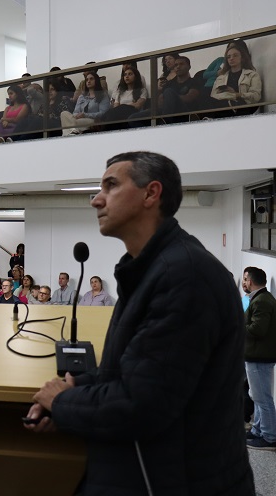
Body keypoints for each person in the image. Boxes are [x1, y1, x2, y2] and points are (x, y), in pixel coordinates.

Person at [26, 151, 255, 495]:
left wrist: (63, 402)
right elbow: (134, 372)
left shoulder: (184, 277)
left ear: (151, 193)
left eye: (111, 186)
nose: (96, 200)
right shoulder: (151, 269)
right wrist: (78, 389)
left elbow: (142, 404)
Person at [242, 266, 276, 450]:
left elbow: (258, 329)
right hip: (257, 355)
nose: (244, 283)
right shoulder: (260, 298)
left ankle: (269, 437)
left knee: (263, 399)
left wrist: (238, 325)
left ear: (251, 281)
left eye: (245, 279)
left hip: (259, 356)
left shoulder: (262, 301)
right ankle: (258, 431)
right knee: (257, 396)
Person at [129, 56, 202, 126]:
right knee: (133, 118)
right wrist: (161, 92)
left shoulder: (194, 81)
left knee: (168, 92)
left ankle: (165, 123)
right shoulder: (169, 83)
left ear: (189, 67)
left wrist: (171, 97)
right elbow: (160, 101)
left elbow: (190, 97)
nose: (178, 67)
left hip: (184, 113)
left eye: (181, 64)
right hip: (164, 110)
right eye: (176, 65)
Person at [209, 42, 262, 117]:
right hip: (223, 106)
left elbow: (256, 97)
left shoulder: (252, 75)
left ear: (242, 58)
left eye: (235, 55)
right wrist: (226, 95)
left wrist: (236, 94)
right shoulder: (221, 78)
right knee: (207, 100)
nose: (231, 58)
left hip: (243, 107)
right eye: (229, 57)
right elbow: (213, 96)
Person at [60, 71, 110, 136]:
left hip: (93, 121)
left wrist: (85, 115)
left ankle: (69, 135)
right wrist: (77, 115)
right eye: (87, 80)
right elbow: (75, 112)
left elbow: (103, 113)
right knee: (64, 114)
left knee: (73, 122)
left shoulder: (103, 95)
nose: (88, 81)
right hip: (78, 120)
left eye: (91, 79)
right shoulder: (82, 97)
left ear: (96, 81)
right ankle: (73, 133)